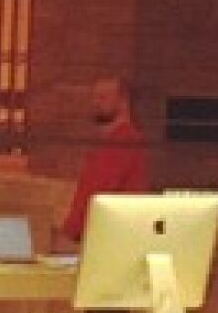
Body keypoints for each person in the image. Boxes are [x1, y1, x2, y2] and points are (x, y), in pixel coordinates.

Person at [57, 76, 150, 247]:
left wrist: (69, 233)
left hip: (107, 237)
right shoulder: (110, 141)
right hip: (101, 234)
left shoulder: (124, 140)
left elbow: (98, 189)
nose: (96, 103)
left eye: (103, 97)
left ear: (123, 102)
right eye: (95, 97)